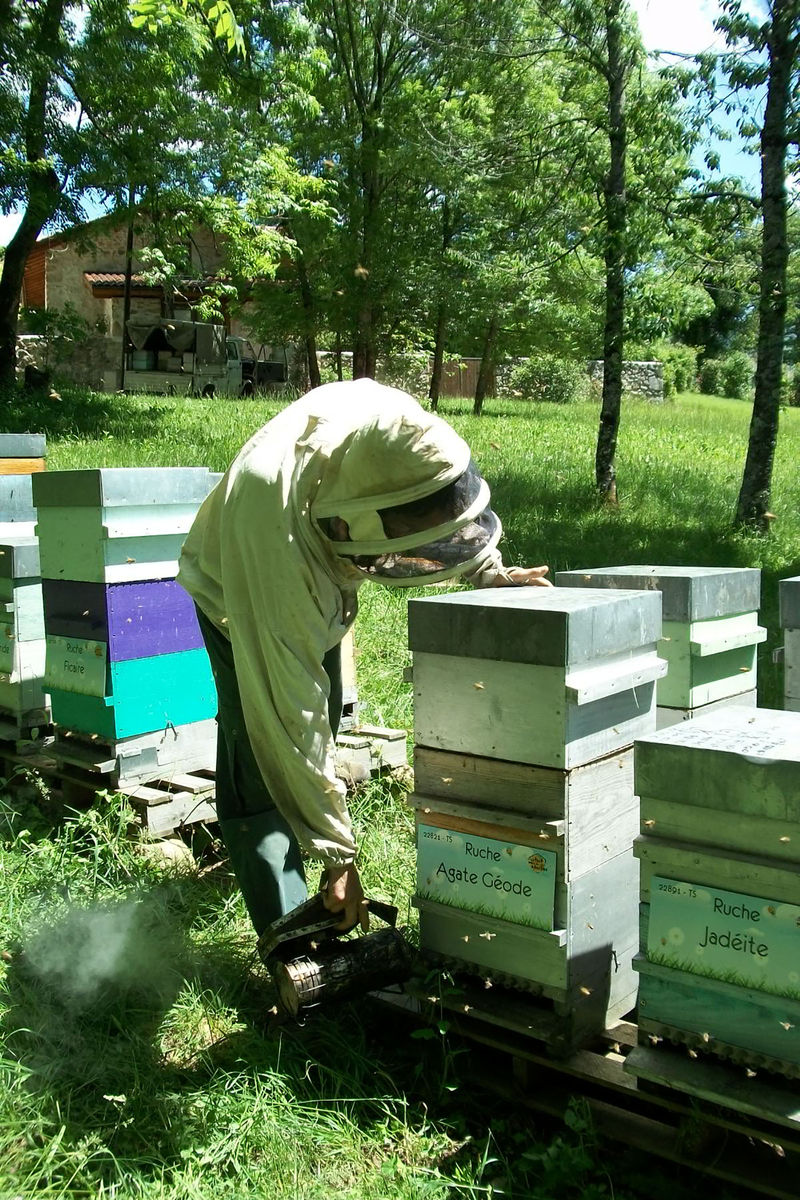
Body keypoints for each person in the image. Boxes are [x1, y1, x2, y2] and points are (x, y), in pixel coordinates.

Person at [177, 378, 551, 938]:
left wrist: (486, 569)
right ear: (351, 520)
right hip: (237, 587)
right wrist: (337, 855)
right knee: (260, 751)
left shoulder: (398, 428)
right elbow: (289, 717)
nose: (412, 557)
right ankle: (290, 932)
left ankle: (307, 848)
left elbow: (440, 505)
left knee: (321, 719)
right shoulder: (276, 552)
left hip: (307, 568)